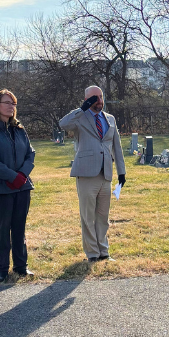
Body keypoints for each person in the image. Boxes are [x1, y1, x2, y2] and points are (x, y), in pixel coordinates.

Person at [59, 86, 126, 263]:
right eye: (94, 98)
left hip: (106, 173)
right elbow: (63, 124)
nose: (99, 101)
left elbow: (116, 147)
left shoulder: (110, 119)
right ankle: (92, 253)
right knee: (88, 216)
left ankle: (104, 251)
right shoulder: (80, 118)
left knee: (103, 216)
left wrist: (122, 172)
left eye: (100, 97)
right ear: (87, 100)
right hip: (86, 173)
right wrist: (81, 108)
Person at [0, 89, 36, 282]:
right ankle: (1, 267)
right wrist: (12, 177)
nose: (11, 107)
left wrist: (22, 175)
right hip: (1, 188)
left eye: (13, 103)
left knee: (19, 227)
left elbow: (31, 154)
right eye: (7, 103)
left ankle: (21, 265)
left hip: (22, 187)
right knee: (3, 229)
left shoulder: (19, 129)